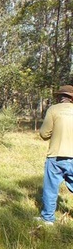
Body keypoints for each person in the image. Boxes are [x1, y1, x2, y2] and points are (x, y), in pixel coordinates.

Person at [35, 84, 73, 226]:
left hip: (56, 156)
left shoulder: (53, 110)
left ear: (59, 97)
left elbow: (44, 134)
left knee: (51, 188)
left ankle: (48, 219)